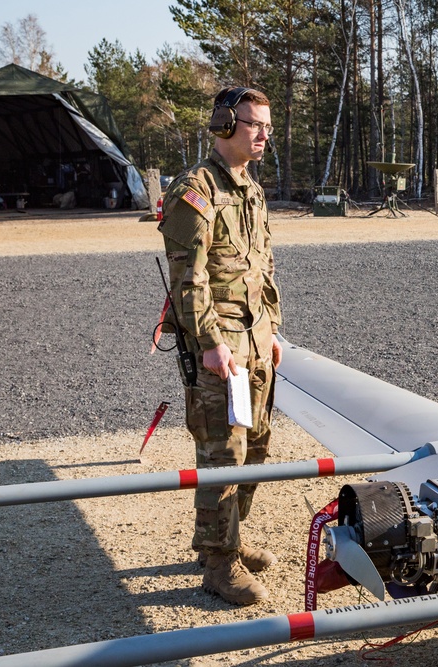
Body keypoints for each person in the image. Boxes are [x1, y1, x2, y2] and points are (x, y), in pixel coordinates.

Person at [158, 86, 283, 605]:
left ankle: (230, 536)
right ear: (225, 125)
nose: (263, 135)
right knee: (221, 453)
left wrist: (272, 327)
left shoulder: (250, 189)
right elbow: (189, 279)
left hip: (255, 341)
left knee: (256, 448)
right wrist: (209, 342)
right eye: (254, 124)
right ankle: (218, 563)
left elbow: (263, 265)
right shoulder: (195, 189)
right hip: (221, 349)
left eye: (268, 127)